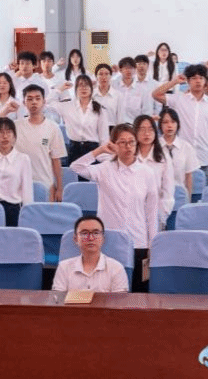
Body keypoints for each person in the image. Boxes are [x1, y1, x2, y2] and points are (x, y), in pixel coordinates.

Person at [71, 124, 159, 292]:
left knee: (138, 292)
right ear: (114, 145)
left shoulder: (147, 172)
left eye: (131, 142)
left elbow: (152, 212)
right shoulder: (104, 169)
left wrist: (152, 244)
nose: (128, 146)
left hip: (138, 241)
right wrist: (100, 150)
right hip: (110, 242)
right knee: (107, 292)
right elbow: (76, 167)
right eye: (122, 142)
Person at [152, 64, 208, 186]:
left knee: (205, 193)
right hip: (182, 158)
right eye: (194, 78)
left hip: (205, 157)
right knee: (182, 193)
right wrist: (174, 81)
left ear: (205, 80)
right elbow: (156, 94)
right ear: (188, 81)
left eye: (201, 78)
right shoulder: (179, 99)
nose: (198, 81)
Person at [13, 84, 67, 202]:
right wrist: (6, 110)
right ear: (24, 103)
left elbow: (56, 161)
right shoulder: (15, 126)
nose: (34, 102)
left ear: (44, 102)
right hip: (18, 186)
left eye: (38, 98)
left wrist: (59, 188)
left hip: (45, 185)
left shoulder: (53, 128)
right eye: (30, 99)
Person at [52, 216, 129, 293]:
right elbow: (57, 298)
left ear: (103, 238)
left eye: (96, 233)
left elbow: (119, 300)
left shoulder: (116, 268)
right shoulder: (64, 267)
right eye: (84, 233)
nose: (91, 238)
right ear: (75, 239)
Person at [51, 74, 109, 164]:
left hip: (92, 150)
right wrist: (60, 89)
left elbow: (104, 138)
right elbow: (48, 103)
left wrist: (105, 160)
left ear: (91, 89)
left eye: (86, 85)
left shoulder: (100, 109)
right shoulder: (67, 107)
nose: (83, 88)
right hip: (74, 149)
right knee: (73, 173)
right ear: (76, 89)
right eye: (80, 85)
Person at [133, 114, 175, 228]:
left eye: (150, 129)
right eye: (142, 129)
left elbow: (168, 190)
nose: (147, 133)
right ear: (135, 132)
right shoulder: (129, 156)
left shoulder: (163, 157)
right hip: (132, 213)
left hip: (156, 213)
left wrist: (161, 216)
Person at [158, 107, 199, 199]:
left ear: (177, 124)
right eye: (165, 122)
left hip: (180, 195)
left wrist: (187, 199)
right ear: (160, 125)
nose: (169, 125)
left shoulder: (186, 147)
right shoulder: (154, 147)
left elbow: (188, 177)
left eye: (173, 122)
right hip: (160, 196)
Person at [114, 57, 150, 124]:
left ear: (135, 70)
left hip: (134, 124)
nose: (129, 71)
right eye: (126, 68)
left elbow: (146, 110)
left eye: (131, 68)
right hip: (117, 124)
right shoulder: (114, 86)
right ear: (120, 70)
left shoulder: (142, 89)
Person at [93, 63, 121, 127]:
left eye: (106, 74)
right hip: (95, 129)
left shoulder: (118, 95)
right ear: (96, 77)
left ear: (110, 76)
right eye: (100, 74)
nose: (104, 77)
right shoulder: (91, 95)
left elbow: (120, 118)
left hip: (113, 128)